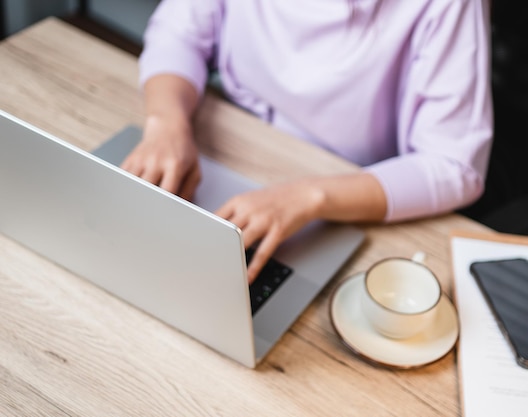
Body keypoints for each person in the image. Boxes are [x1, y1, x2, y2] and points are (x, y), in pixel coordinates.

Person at [121, 0, 493, 282]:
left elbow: (453, 165)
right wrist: (166, 123)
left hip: (347, 189)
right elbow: (177, 32)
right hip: (231, 143)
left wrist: (310, 197)